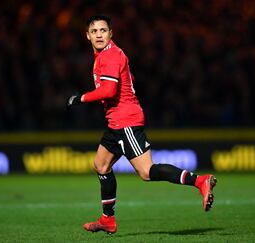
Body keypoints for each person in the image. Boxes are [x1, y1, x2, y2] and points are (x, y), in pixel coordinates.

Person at [67, 15, 217, 234]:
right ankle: (107, 219)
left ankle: (200, 181)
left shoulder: (110, 56)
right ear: (87, 35)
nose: (99, 34)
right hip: (115, 122)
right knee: (101, 165)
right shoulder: (107, 55)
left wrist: (81, 98)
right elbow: (129, 79)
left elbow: (108, 91)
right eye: (94, 31)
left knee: (146, 172)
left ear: (111, 34)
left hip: (125, 121)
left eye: (103, 30)